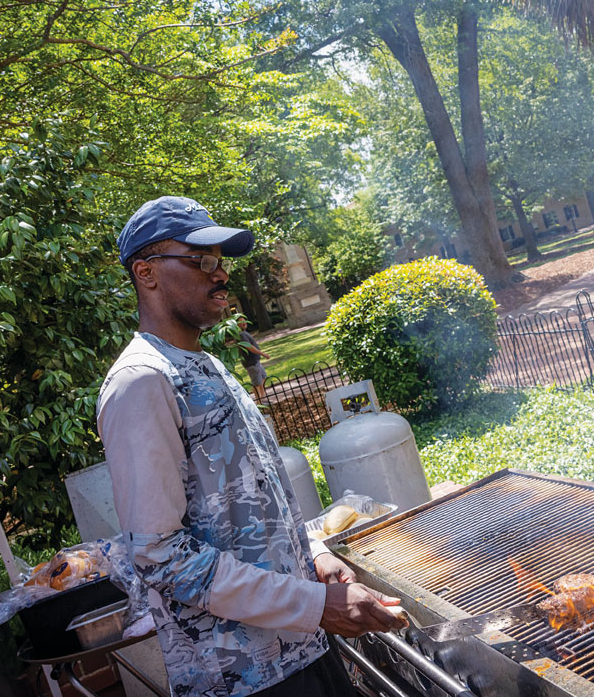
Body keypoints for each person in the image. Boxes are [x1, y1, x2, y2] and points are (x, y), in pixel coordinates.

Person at [97, 196, 406, 697]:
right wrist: (311, 604)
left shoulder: (210, 364)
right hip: (242, 679)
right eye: (201, 261)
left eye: (220, 261)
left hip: (302, 649)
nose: (220, 274)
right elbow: (158, 555)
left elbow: (249, 501)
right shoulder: (141, 382)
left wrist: (310, 557)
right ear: (146, 273)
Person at [236, 315, 270, 399]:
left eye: (244, 321)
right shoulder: (241, 335)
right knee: (256, 383)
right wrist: (262, 354)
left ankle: (263, 398)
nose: (243, 323)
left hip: (255, 361)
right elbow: (249, 347)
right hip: (251, 362)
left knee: (262, 378)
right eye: (240, 322)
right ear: (237, 325)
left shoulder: (244, 333)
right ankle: (259, 402)